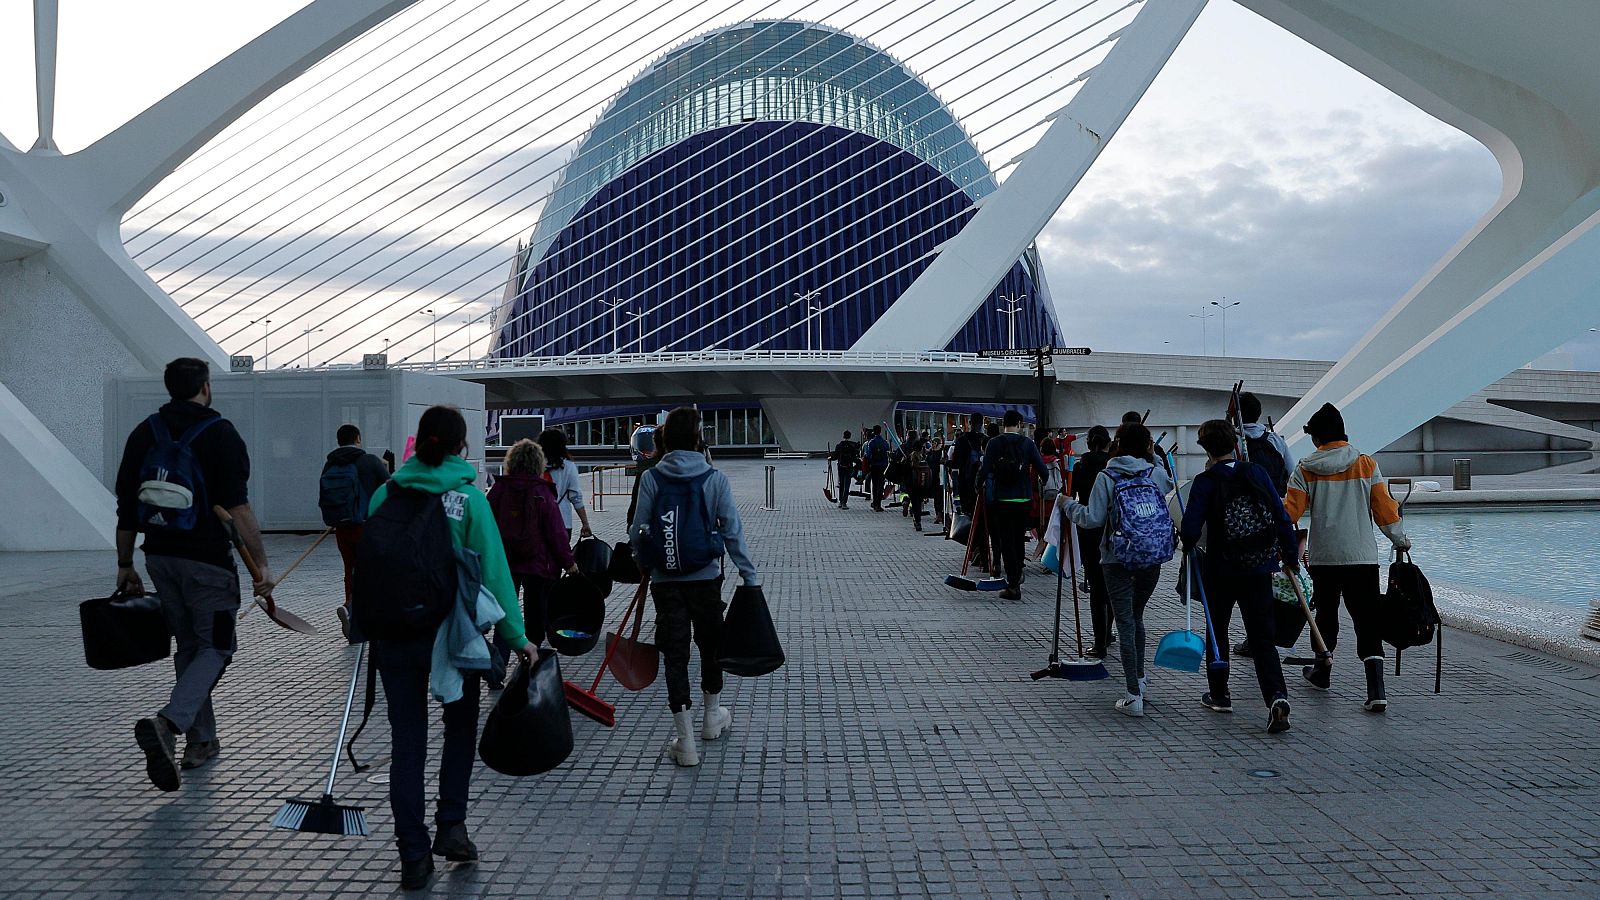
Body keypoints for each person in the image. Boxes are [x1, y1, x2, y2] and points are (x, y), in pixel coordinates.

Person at [365, 406, 535, 889]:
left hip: (393, 635)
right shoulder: (468, 499)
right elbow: (495, 574)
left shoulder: (384, 494)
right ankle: (452, 827)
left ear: (419, 442)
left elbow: (371, 564)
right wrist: (517, 639)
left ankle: (413, 856)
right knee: (459, 730)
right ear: (463, 447)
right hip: (452, 638)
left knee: (407, 744)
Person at [115, 358, 269, 788]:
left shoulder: (145, 432)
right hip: (207, 564)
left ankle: (201, 741)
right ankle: (168, 723)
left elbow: (127, 505)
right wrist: (261, 566)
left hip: (159, 558)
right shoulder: (220, 433)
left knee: (189, 647)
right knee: (216, 647)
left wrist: (125, 564)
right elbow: (238, 508)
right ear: (205, 387)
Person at [630, 407, 760, 767]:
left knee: (675, 656)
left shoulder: (652, 477)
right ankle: (712, 717)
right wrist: (749, 575)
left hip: (665, 581)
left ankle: (685, 741)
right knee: (710, 647)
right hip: (705, 578)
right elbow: (732, 531)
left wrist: (644, 559)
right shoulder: (714, 478)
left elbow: (638, 529)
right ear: (698, 439)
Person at [1284, 403, 1411, 712]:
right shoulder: (1366, 464)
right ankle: (1376, 689)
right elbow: (1384, 510)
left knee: (1325, 616)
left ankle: (1322, 671)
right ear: (1343, 433)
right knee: (1367, 620)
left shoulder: (1305, 468)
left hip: (1325, 558)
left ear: (1317, 438)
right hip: (1362, 557)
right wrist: (1400, 540)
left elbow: (1290, 513)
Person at [1179, 420, 1300, 733]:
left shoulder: (1205, 481)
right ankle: (1276, 695)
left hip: (1220, 570)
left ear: (1205, 449)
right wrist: (1290, 556)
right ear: (1234, 444)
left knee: (1217, 630)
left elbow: (1190, 530)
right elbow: (1281, 516)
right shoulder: (1256, 472)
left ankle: (1220, 694)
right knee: (1262, 638)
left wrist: (1188, 543)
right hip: (1259, 567)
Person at [1059, 422, 1175, 717]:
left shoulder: (1107, 476)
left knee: (1124, 621)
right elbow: (1170, 490)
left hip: (1116, 558)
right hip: (1151, 556)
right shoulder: (1154, 473)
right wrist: (1154, 454)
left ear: (1118, 444)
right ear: (1147, 445)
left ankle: (1133, 695)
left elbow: (1093, 519)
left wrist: (1067, 505)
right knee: (1137, 617)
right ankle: (1140, 680)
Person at [487, 439, 580, 657]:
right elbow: (556, 532)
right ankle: (532, 660)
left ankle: (499, 663)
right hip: (539, 565)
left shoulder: (498, 489)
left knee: (505, 614)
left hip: (505, 563)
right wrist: (569, 563)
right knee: (535, 615)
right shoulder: (542, 492)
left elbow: (486, 527)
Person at [976, 410, 1049, 600]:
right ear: (1019, 424)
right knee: (1018, 538)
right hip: (1023, 498)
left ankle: (1013, 584)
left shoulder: (994, 443)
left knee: (1006, 540)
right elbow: (1044, 471)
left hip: (1002, 499)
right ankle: (1018, 571)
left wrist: (978, 485)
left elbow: (984, 469)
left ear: (1003, 424)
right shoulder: (1027, 444)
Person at [320, 424, 389, 618]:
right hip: (366, 526)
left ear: (338, 441)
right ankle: (366, 611)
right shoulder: (369, 461)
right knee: (371, 569)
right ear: (358, 438)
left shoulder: (330, 464)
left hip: (341, 527)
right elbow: (389, 486)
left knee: (350, 568)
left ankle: (350, 605)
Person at [1073, 426, 1114, 658]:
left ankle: (1100, 642)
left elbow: (1073, 495)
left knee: (1096, 586)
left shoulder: (1080, 466)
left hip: (1088, 530)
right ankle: (1108, 632)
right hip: (1114, 529)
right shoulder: (1113, 467)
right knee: (1113, 585)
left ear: (1088, 443)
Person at [538, 428, 592, 542]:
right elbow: (576, 497)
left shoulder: (534, 466)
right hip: (562, 521)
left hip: (537, 521)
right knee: (561, 552)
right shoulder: (568, 467)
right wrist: (585, 523)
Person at [1238, 392, 1293, 495]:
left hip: (1247, 501)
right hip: (1276, 497)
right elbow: (1291, 473)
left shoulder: (1234, 441)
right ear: (1258, 413)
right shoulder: (1275, 439)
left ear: (1236, 416)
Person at [826, 430, 859, 510]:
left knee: (841, 484)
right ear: (850, 436)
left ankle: (840, 502)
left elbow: (836, 456)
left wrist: (830, 458)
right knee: (847, 485)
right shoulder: (852, 446)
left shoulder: (839, 445)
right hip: (849, 467)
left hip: (841, 467)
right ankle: (844, 502)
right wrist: (859, 461)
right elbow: (854, 458)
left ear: (843, 436)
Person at [862, 425, 892, 512]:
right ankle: (879, 503)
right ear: (880, 431)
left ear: (873, 432)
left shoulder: (871, 442)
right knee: (881, 484)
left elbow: (868, 455)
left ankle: (875, 503)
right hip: (883, 466)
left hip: (874, 466)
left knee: (875, 484)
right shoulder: (884, 442)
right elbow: (888, 451)